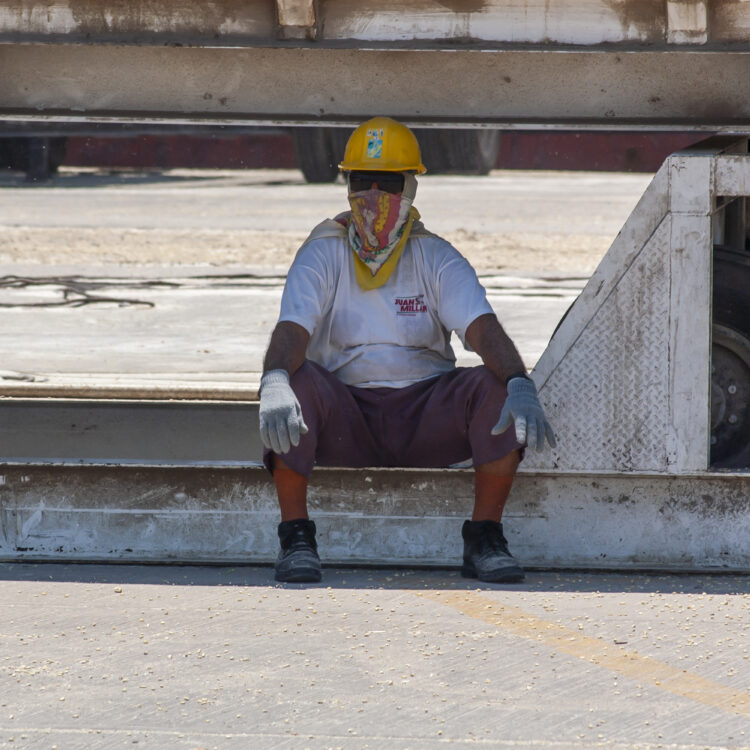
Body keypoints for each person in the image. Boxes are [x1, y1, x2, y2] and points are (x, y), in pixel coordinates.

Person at [259, 116, 555, 584]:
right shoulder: (322, 253)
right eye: (361, 181)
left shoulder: (435, 257)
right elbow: (292, 331)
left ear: (411, 187)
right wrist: (274, 379)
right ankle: (296, 536)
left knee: (495, 386)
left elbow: (484, 331)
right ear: (347, 185)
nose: (373, 196)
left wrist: (519, 381)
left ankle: (485, 537)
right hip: (345, 416)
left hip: (425, 413)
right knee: (294, 382)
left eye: (388, 183)